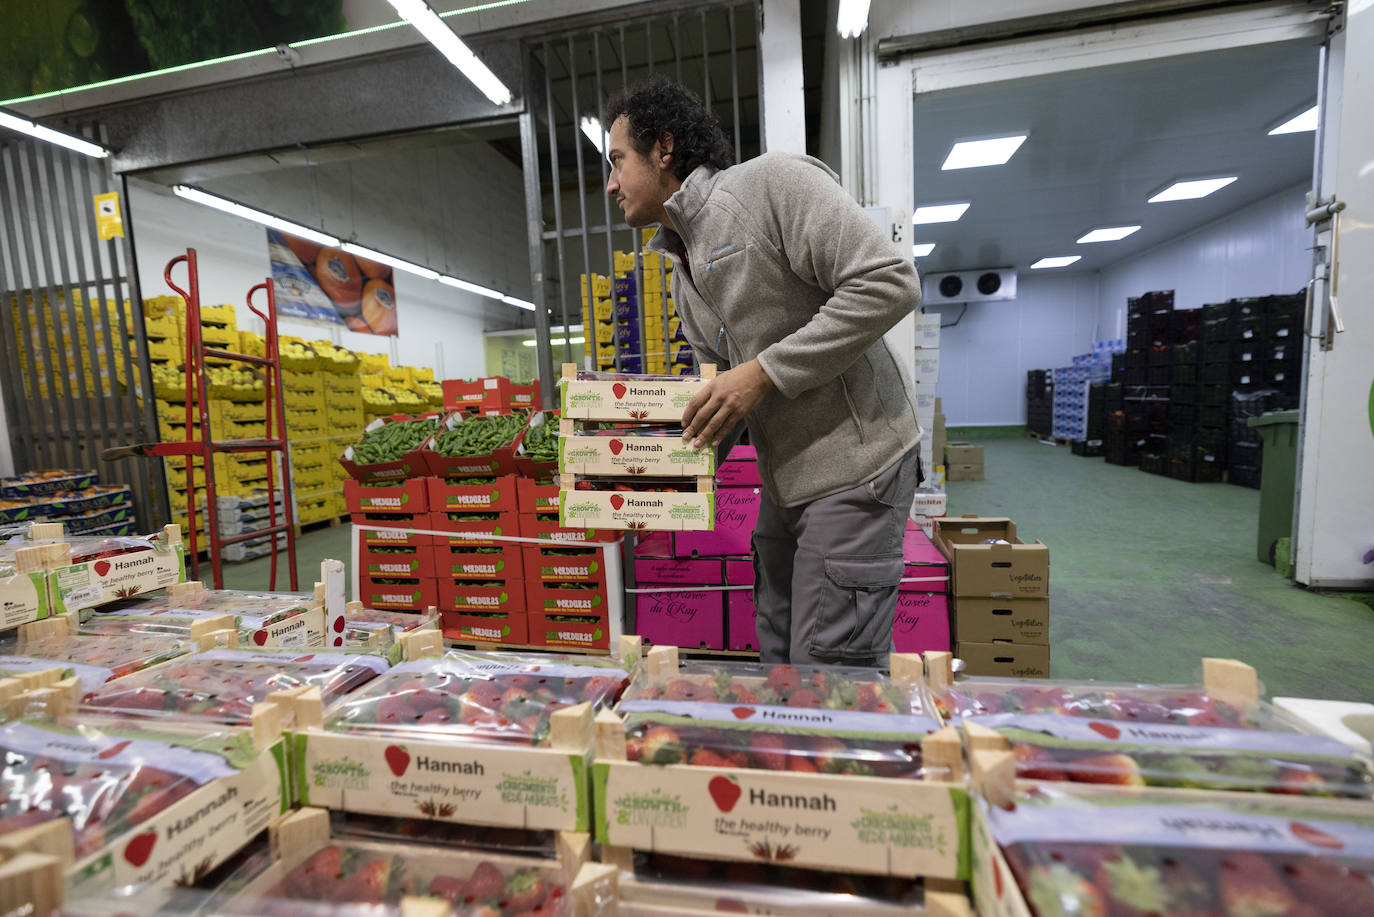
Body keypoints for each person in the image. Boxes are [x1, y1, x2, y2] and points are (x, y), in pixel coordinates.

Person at [602, 77, 923, 667]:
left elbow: (890, 282)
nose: (611, 183)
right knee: (776, 646)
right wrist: (651, 489)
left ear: (664, 150)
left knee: (830, 667)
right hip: (788, 480)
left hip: (857, 463)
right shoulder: (680, 266)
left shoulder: (770, 185)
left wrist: (762, 373)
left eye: (618, 160)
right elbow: (725, 395)